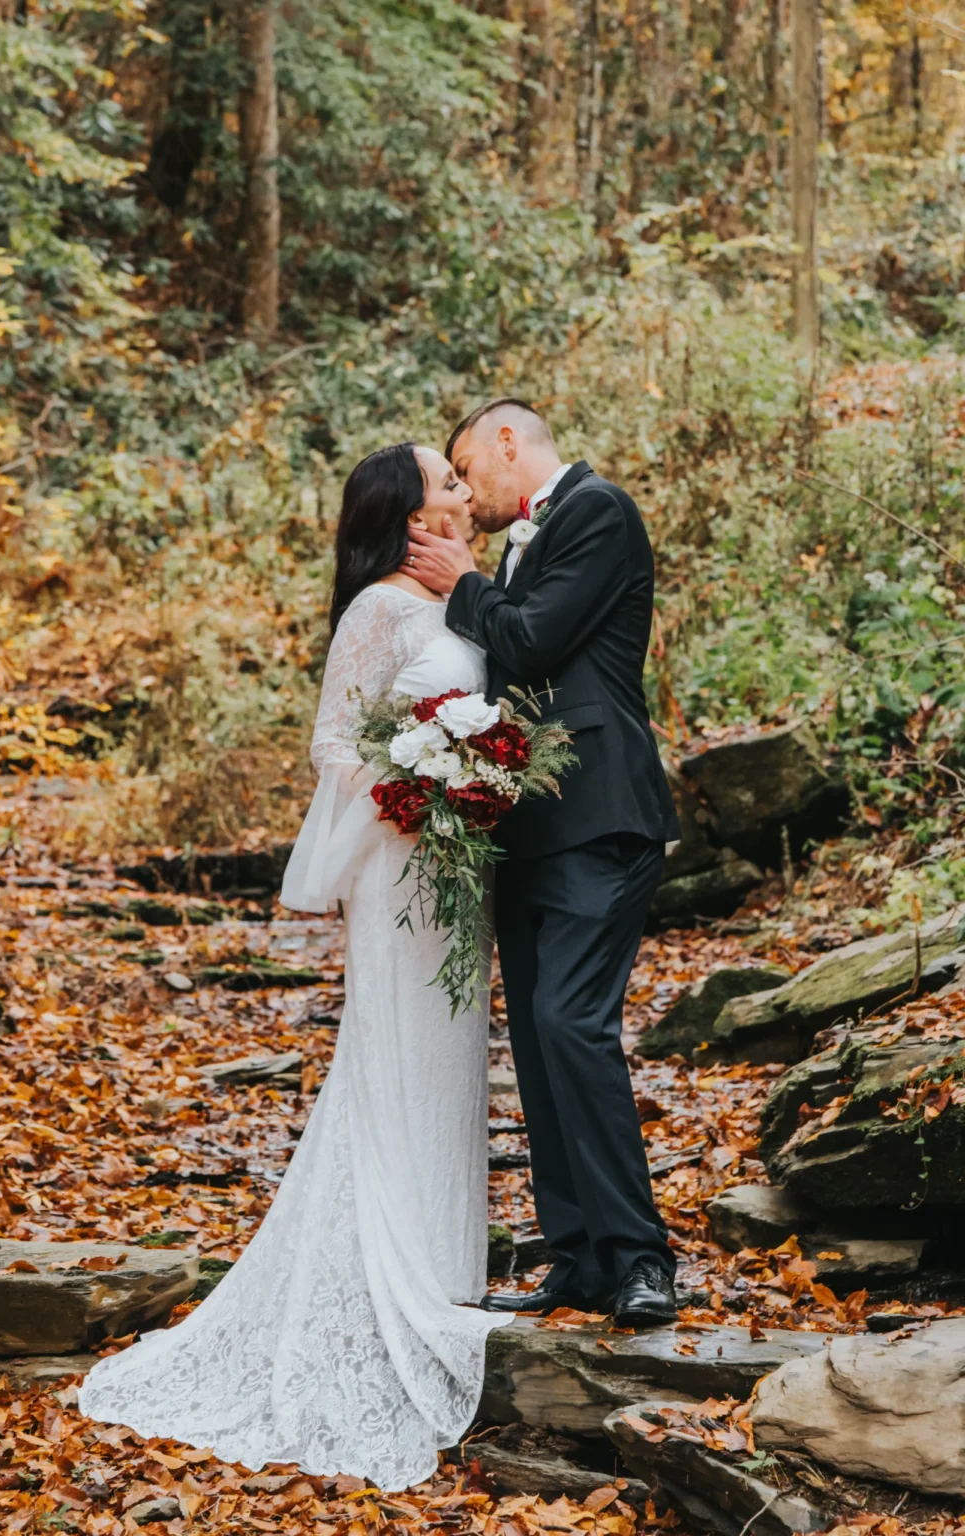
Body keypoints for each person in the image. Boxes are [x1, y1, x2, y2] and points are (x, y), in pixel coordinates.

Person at [78, 443, 505, 1490]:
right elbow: (334, 744)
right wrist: (419, 792)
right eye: (444, 481)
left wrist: (479, 774)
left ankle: (450, 1269)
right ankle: (385, 1274)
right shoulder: (378, 612)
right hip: (401, 865)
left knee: (453, 1064)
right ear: (407, 514)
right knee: (398, 1051)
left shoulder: (468, 601)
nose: (462, 488)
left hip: (462, 873)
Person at [400, 398, 681, 1328]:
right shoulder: (520, 544)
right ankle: (580, 1258)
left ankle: (641, 1258)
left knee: (571, 1023)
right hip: (520, 829)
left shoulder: (599, 511)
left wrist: (463, 581)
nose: (466, 492)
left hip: (600, 813)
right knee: (534, 1037)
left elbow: (528, 640)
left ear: (507, 445)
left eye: (466, 468)